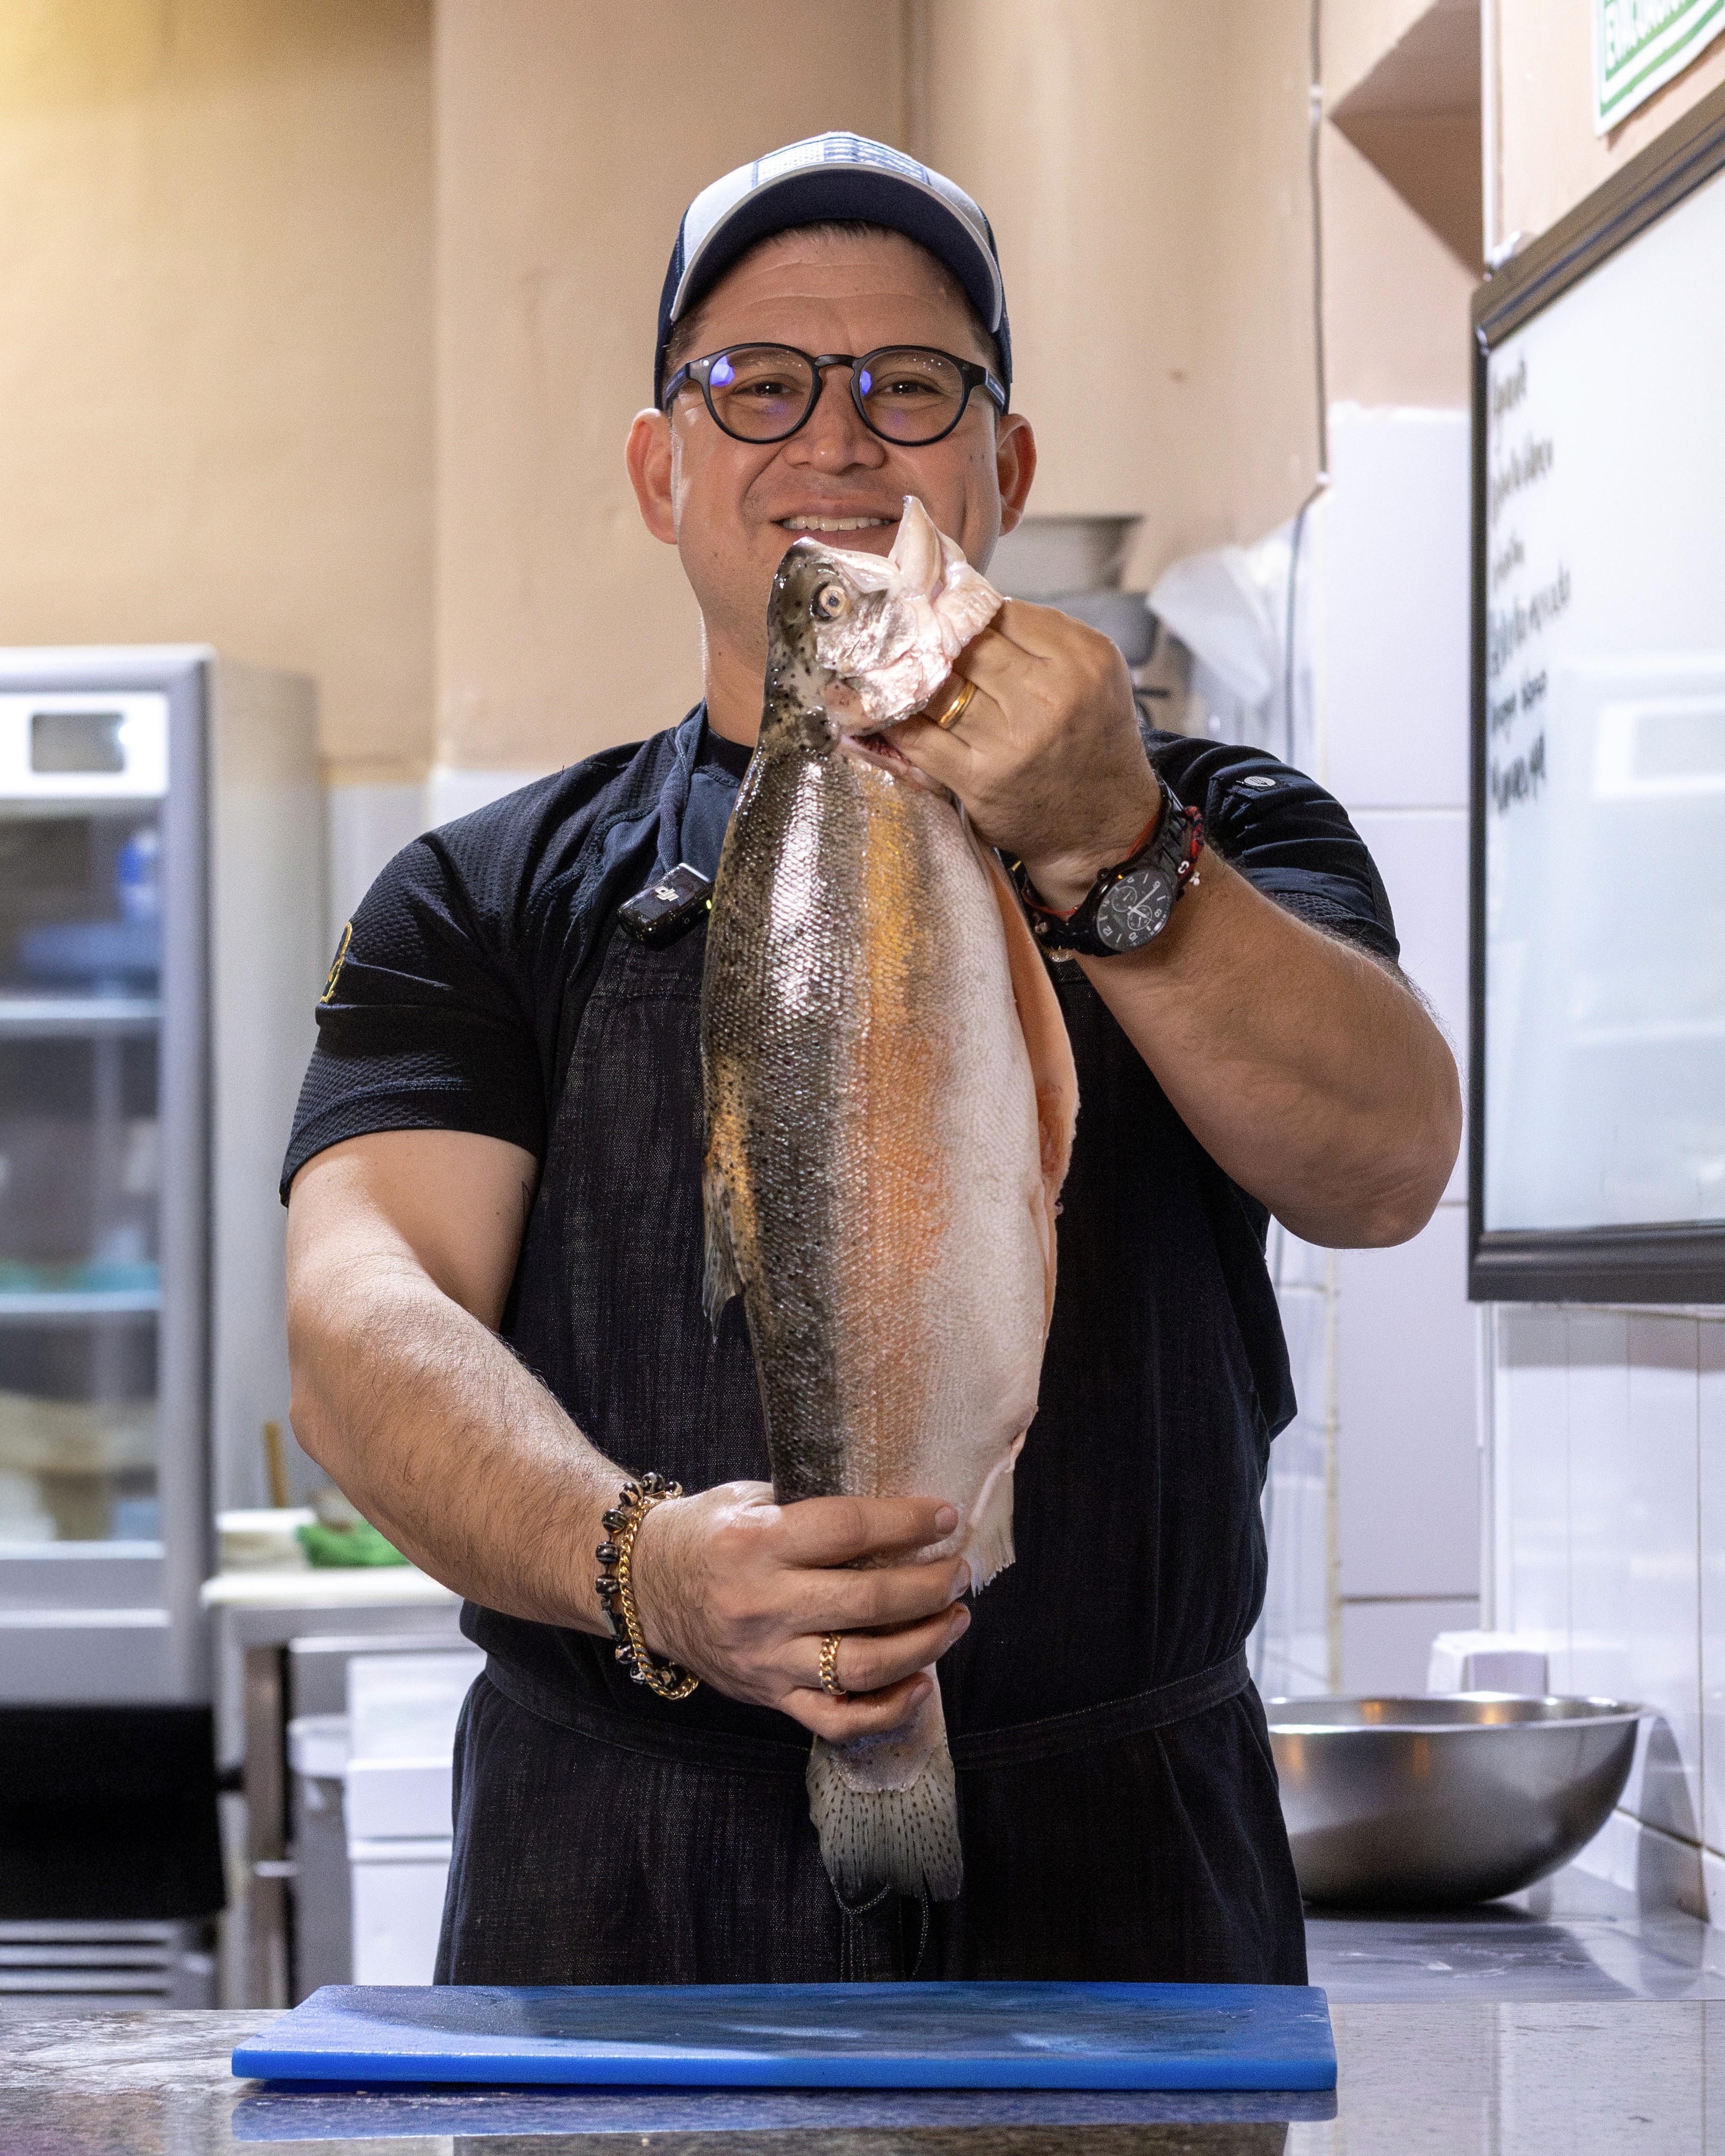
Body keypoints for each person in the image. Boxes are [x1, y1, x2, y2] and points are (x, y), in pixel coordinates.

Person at [283, 133, 1460, 1986]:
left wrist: (1117, 844)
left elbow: (1383, 1168)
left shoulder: (1225, 829)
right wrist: (643, 1564)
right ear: (660, 468)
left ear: (1005, 467)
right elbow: (357, 1319)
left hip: (1126, 1883)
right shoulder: (488, 893)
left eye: (911, 385)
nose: (835, 438)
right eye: (754, 383)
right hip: (618, 1899)